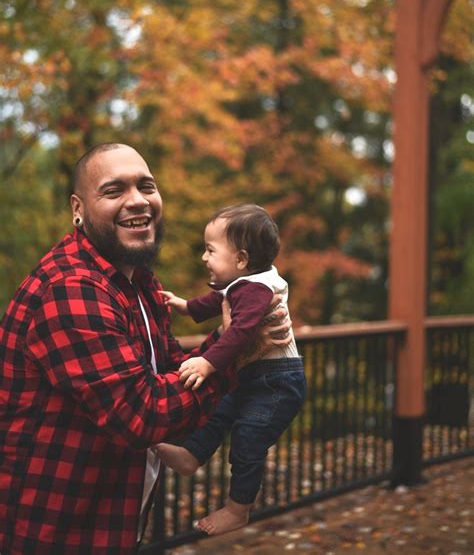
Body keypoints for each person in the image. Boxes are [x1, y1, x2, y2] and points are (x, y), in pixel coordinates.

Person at [0, 143, 290, 554]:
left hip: (112, 517)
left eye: (146, 186)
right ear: (78, 209)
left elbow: (170, 367)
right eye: (114, 190)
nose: (137, 201)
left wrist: (225, 348)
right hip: (56, 529)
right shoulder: (71, 290)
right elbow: (142, 415)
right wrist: (233, 350)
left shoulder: (137, 282)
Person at [157, 203, 306, 536]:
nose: (204, 257)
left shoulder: (257, 290)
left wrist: (208, 362)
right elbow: (217, 301)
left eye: (210, 250)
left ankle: (239, 508)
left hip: (277, 381)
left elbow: (240, 332)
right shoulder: (243, 285)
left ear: (240, 259)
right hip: (254, 376)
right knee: (220, 412)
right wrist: (183, 306)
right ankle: (192, 455)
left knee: (247, 438)